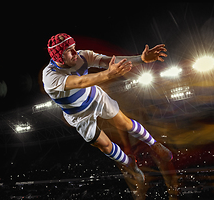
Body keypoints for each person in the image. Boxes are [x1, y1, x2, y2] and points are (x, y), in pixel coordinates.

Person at [42, 33, 173, 176]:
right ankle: (129, 164)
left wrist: (141, 59)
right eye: (68, 51)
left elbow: (111, 61)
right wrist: (107, 75)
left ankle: (154, 144)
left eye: (74, 47)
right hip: (78, 114)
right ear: (58, 57)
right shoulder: (50, 77)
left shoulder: (82, 56)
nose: (75, 53)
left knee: (125, 123)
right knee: (104, 145)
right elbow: (80, 82)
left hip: (95, 96)